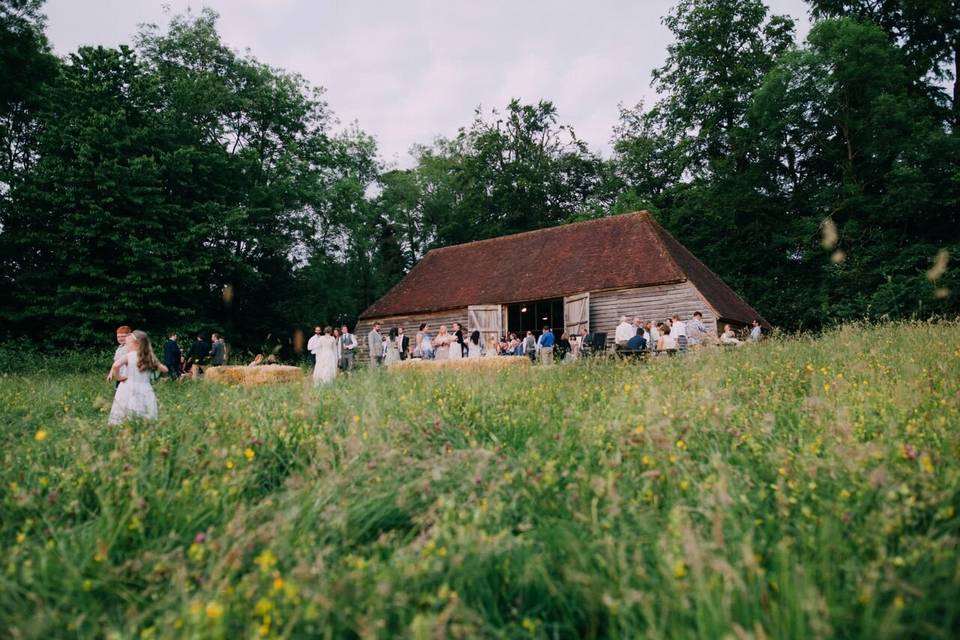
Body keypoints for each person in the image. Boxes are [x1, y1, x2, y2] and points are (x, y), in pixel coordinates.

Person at [107, 330, 167, 425]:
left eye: (128, 344)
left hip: (127, 386)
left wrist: (119, 377)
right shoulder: (150, 357)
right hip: (145, 387)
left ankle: (125, 425)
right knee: (143, 407)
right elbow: (165, 370)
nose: (126, 346)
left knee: (125, 407)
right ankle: (142, 425)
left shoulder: (128, 356)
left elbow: (115, 366)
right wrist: (158, 372)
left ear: (137, 344)